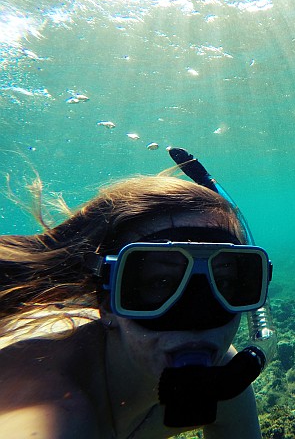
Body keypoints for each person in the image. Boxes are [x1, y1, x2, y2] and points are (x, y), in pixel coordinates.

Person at [0, 173, 270, 438]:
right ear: (105, 301)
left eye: (223, 283)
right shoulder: (52, 406)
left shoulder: (223, 381)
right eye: (160, 281)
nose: (198, 317)